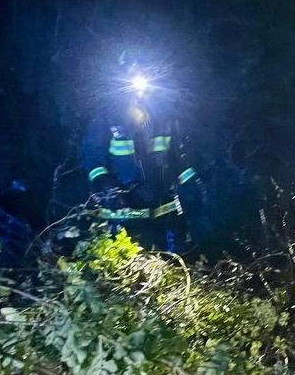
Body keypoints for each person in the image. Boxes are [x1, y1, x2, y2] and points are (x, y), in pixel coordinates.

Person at [80, 66, 204, 253]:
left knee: (172, 265)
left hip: (163, 211)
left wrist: (193, 184)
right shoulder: (107, 119)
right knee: (127, 266)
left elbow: (178, 159)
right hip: (124, 212)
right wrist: (110, 190)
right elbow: (92, 160)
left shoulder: (164, 118)